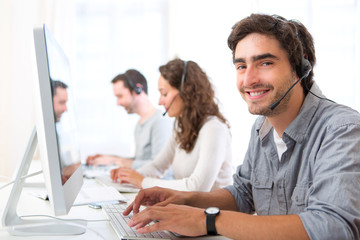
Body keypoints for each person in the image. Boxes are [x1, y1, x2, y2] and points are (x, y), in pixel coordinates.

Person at [121, 14, 360, 239]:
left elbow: (333, 228)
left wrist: (208, 220)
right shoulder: (262, 128)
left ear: (301, 67)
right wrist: (184, 199)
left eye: (265, 62)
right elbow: (244, 194)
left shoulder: (341, 129)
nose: (248, 80)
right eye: (241, 66)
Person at [110, 59, 234, 191]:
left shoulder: (213, 129)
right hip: (189, 207)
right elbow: (157, 166)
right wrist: (129, 175)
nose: (160, 101)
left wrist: (142, 181)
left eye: (164, 94)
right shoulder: (180, 126)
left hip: (211, 210)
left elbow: (198, 187)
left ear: (186, 91)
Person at [86, 69, 173, 170]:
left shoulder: (160, 121)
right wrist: (110, 159)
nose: (118, 103)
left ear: (138, 90)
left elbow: (161, 167)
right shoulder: (140, 124)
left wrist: (116, 161)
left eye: (120, 96)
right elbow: (139, 161)